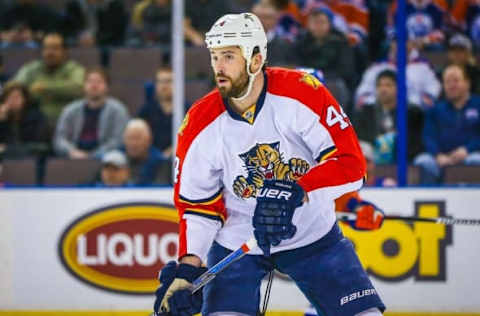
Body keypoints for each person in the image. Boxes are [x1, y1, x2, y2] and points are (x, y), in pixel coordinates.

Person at [153, 13, 386, 316]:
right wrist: (187, 268)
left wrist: (297, 191)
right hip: (238, 246)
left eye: (228, 56)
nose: (218, 67)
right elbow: (197, 207)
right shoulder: (199, 123)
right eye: (214, 57)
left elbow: (350, 164)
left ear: (256, 58)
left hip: (314, 237)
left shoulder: (303, 92)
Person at [414, 64, 480, 184]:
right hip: (442, 158)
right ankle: (429, 197)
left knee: (477, 160)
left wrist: (467, 150)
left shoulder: (478, 105)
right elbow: (428, 136)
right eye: (447, 81)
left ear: (467, 83)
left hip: (469, 155)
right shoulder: (436, 109)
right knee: (423, 161)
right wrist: (437, 155)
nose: (451, 85)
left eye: (456, 80)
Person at [53, 67, 129, 159]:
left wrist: (94, 155)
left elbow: (119, 140)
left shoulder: (118, 110)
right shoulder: (70, 110)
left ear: (107, 86)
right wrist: (72, 152)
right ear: (84, 86)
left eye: (99, 82)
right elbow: (59, 139)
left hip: (105, 159)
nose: (94, 85)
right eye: (90, 81)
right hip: (73, 158)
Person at [13, 33, 85, 125]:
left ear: (64, 51)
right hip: (33, 122)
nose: (50, 52)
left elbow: (78, 88)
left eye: (55, 48)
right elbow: (15, 89)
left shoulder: (74, 69)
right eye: (46, 48)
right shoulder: (31, 69)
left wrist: (43, 87)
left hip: (66, 122)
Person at [354, 69, 424, 163]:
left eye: (388, 85)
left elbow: (415, 141)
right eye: (379, 85)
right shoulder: (366, 111)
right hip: (373, 156)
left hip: (403, 158)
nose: (383, 89)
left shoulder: (411, 112)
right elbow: (360, 136)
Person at [355, 39, 441, 109]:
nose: (400, 44)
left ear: (412, 43)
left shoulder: (423, 67)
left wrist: (419, 102)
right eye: (396, 40)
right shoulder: (377, 68)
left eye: (405, 40)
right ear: (391, 44)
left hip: (414, 115)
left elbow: (433, 91)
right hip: (381, 114)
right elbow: (362, 95)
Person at [0, 81, 49, 159]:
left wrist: (8, 149)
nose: (12, 101)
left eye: (16, 97)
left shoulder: (37, 118)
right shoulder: (3, 118)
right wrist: (1, 121)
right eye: (8, 97)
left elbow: (41, 147)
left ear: (25, 99)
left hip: (31, 161)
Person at [137, 67, 175, 157]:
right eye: (160, 81)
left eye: (169, 81)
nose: (164, 86)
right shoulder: (145, 111)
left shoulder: (188, 110)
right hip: (150, 159)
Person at [122, 118, 169, 185]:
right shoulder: (117, 161)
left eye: (137, 138)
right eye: (130, 138)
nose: (133, 143)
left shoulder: (161, 163)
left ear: (149, 140)